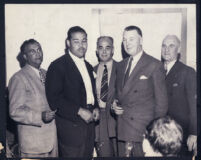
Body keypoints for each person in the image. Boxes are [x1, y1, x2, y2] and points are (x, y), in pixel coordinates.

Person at [112, 25, 168, 157]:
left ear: (141, 41)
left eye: (131, 39)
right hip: (122, 130)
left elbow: (162, 104)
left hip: (143, 133)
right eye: (124, 40)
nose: (127, 43)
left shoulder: (154, 64)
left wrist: (153, 134)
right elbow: (117, 95)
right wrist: (114, 105)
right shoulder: (120, 66)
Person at [45, 26, 99, 158]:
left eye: (84, 41)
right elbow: (54, 99)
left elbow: (90, 92)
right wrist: (79, 111)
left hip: (90, 125)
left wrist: (96, 106)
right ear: (68, 43)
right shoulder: (57, 66)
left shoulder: (88, 65)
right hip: (71, 129)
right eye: (76, 41)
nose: (81, 45)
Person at [8, 39, 58, 158]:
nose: (38, 53)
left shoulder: (47, 73)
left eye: (39, 49)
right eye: (32, 51)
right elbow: (15, 111)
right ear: (25, 56)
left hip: (52, 143)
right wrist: (39, 116)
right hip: (33, 146)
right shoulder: (18, 78)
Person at [161, 35, 197, 156]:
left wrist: (194, 133)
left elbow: (194, 106)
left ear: (179, 50)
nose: (166, 49)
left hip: (181, 135)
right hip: (161, 134)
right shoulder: (157, 71)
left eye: (171, 46)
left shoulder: (187, 72)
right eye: (164, 46)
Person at [94, 36, 118, 157]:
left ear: (113, 50)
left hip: (117, 120)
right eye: (100, 47)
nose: (104, 51)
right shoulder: (90, 70)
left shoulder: (122, 68)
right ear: (96, 51)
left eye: (107, 47)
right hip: (99, 123)